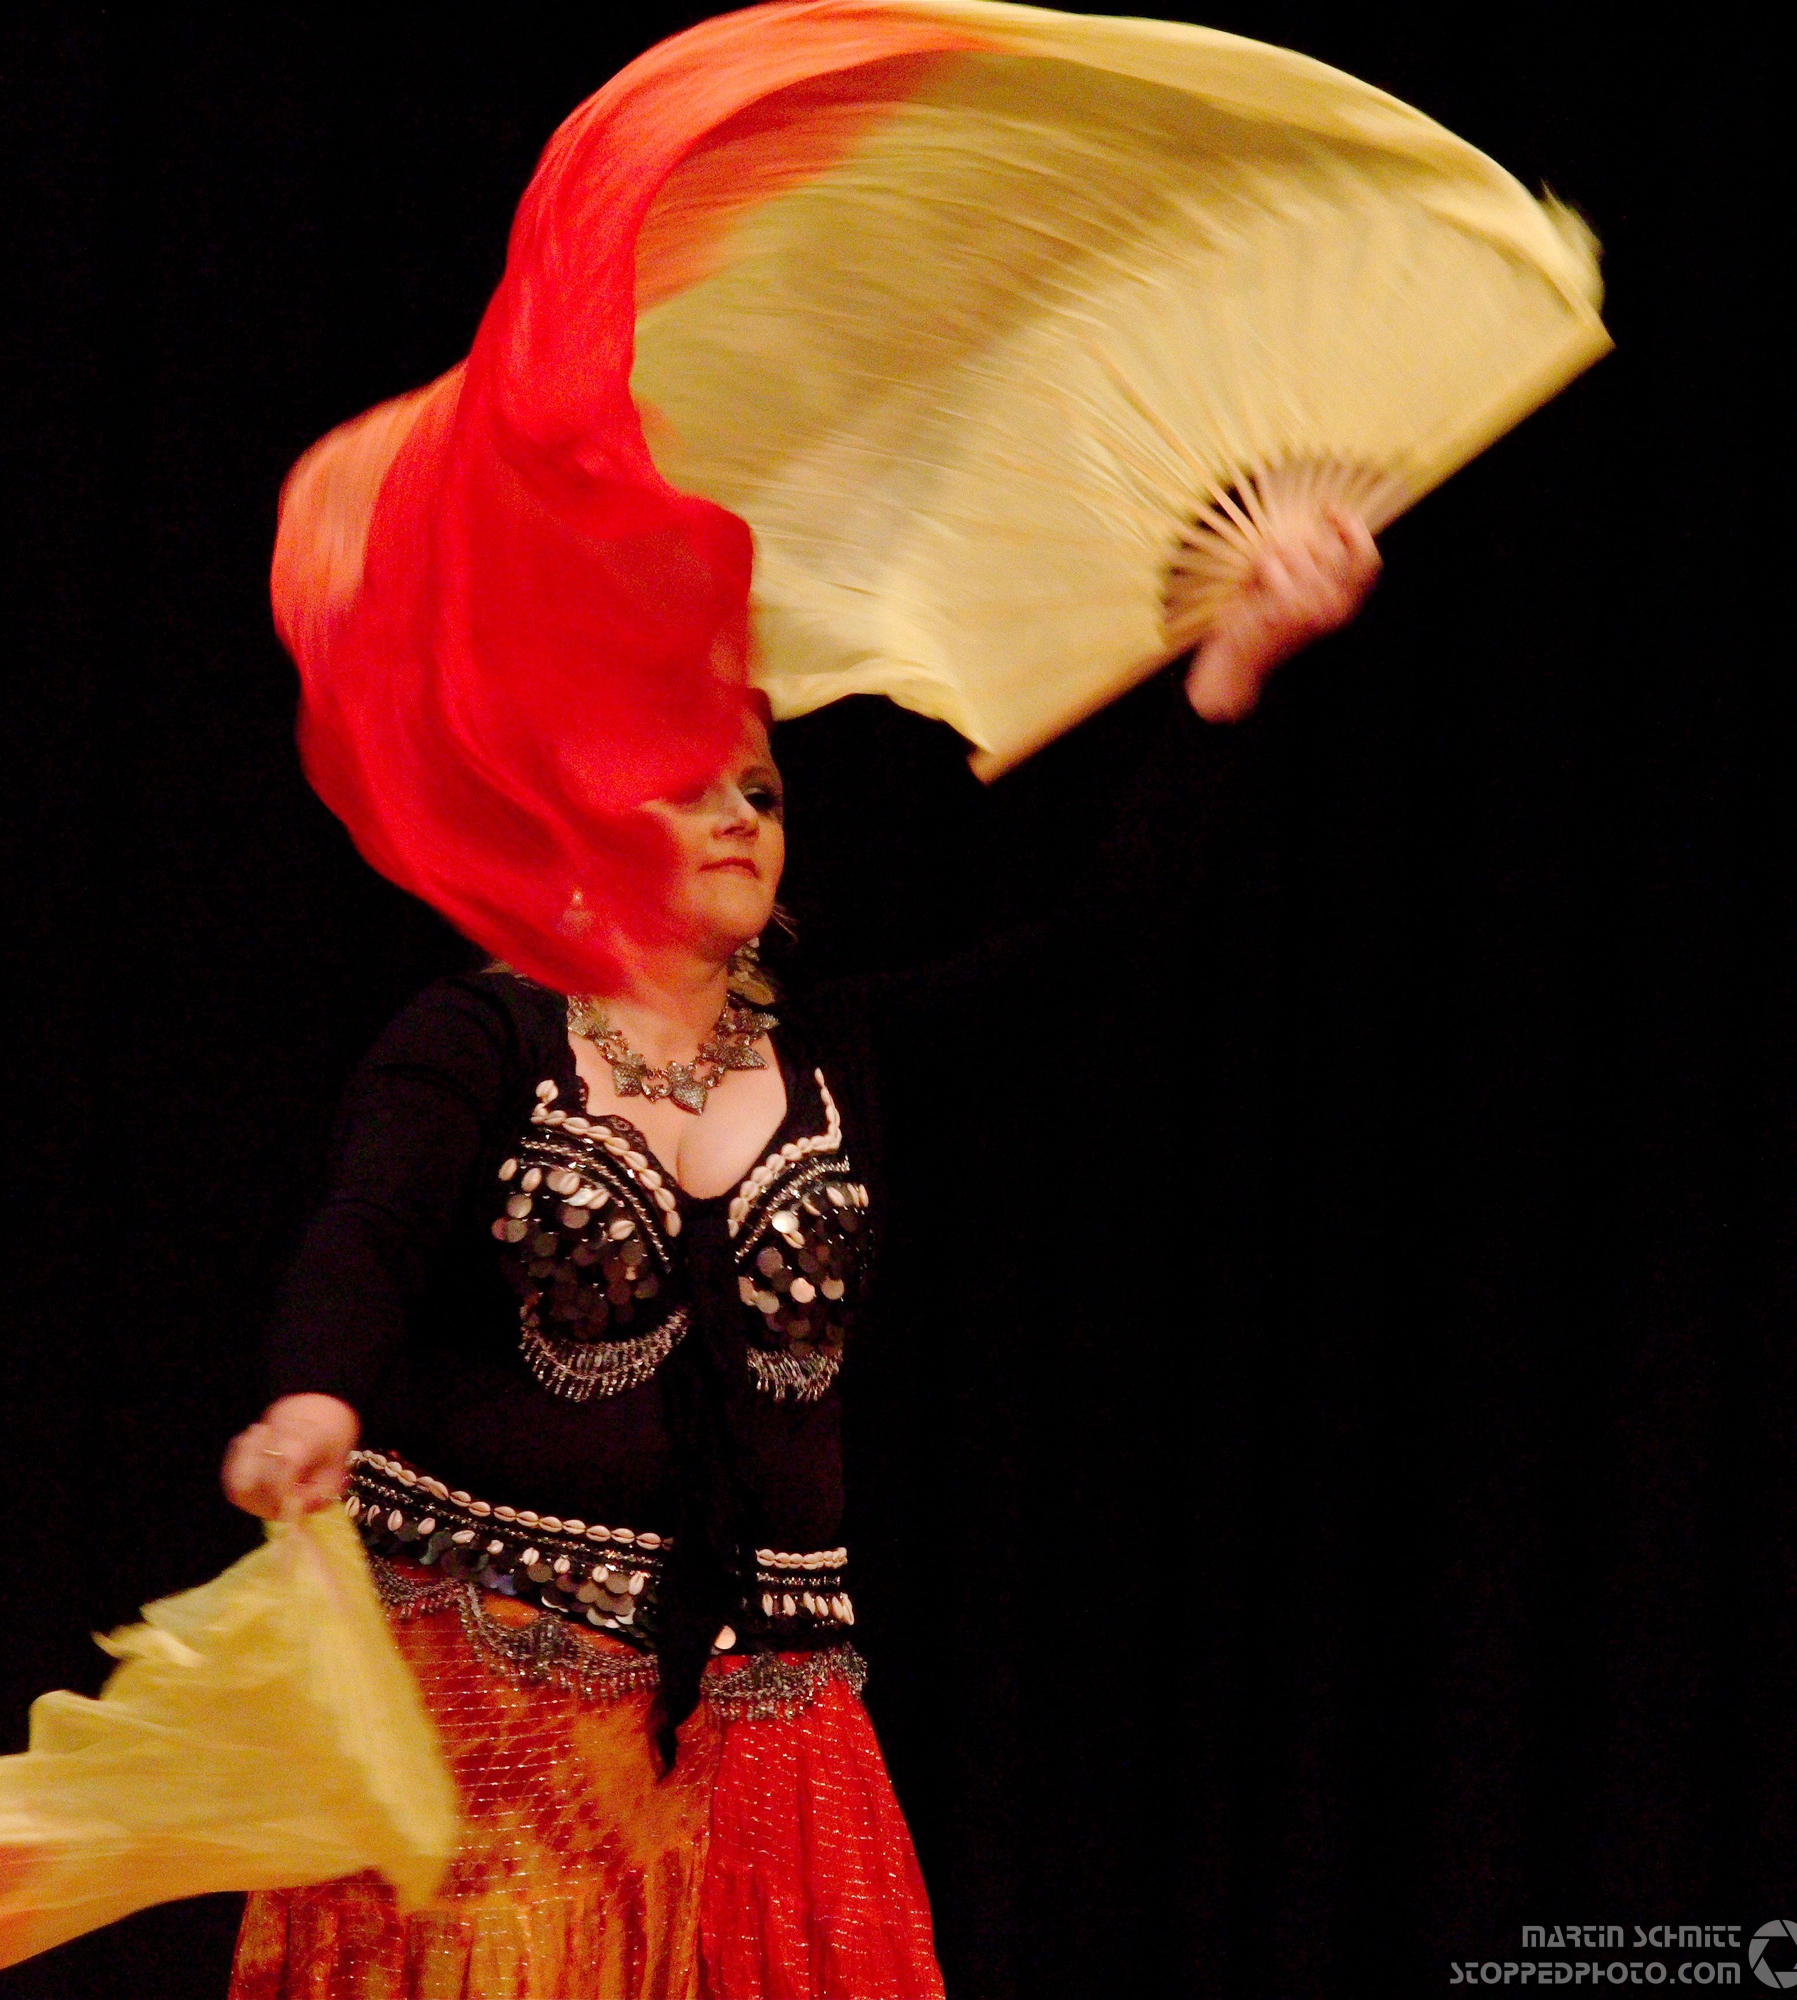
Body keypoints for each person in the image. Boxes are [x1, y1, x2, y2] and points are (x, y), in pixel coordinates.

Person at [216, 504, 1382, 2000]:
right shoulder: (480, 1036)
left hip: (768, 1706)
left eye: (759, 791)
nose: (739, 817)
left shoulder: (839, 1054)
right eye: (687, 788)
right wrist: (316, 1395)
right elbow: (368, 1230)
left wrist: (1232, 672)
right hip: (486, 1694)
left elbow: (1107, 944)